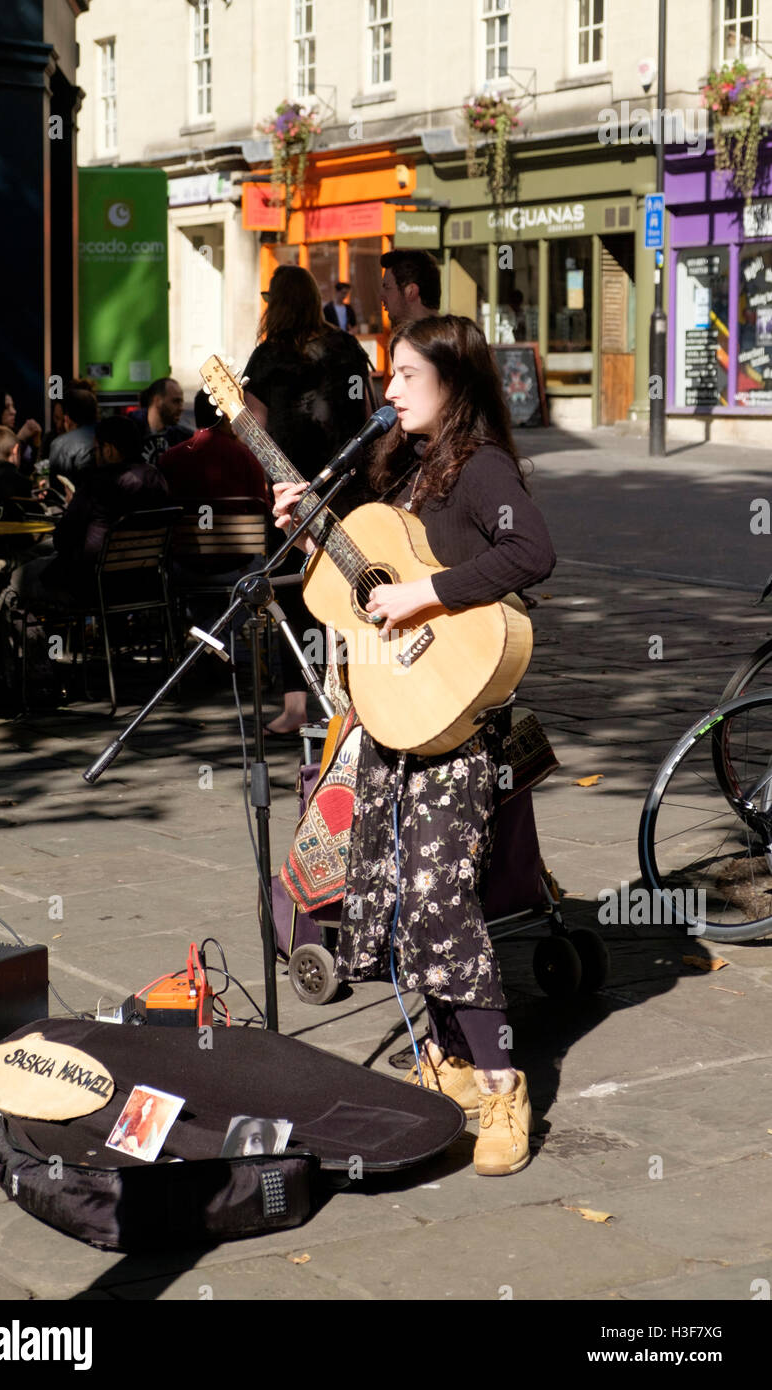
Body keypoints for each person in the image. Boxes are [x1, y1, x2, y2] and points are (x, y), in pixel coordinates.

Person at [272, 314, 556, 1177]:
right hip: (393, 719)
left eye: (402, 375)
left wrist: (429, 596)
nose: (385, 390)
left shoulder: (482, 469)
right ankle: (449, 1062)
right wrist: (308, 521)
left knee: (440, 900)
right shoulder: (400, 472)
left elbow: (531, 552)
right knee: (396, 896)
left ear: (452, 382)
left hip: (457, 728)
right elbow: (362, 580)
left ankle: (503, 1083)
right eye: (386, 377)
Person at [243, 263, 376, 735]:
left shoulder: (266, 357)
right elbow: (367, 415)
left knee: (289, 593)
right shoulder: (345, 347)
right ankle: (358, 697)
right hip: (349, 487)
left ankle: (296, 708)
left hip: (289, 493)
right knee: (354, 591)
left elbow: (253, 427)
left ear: (276, 304)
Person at [9, 413, 169, 609]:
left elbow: (63, 540)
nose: (95, 456)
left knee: (18, 578)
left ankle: (39, 639)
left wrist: (75, 507)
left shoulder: (98, 483)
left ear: (109, 450)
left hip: (94, 587)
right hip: (147, 583)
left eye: (96, 450)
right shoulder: (157, 479)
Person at [159, 388, 268, 505]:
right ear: (227, 417)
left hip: (187, 523)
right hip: (239, 523)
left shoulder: (169, 458)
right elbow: (261, 510)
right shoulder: (247, 457)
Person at [133, 377, 192, 467]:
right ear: (157, 401)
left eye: (181, 402)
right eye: (176, 401)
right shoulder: (131, 433)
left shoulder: (181, 437)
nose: (181, 408)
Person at [47, 388, 99, 490]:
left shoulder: (60, 444)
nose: (58, 425)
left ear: (67, 419)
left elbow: (57, 489)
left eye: (59, 418)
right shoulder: (110, 434)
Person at [380, 249, 442, 327]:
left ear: (411, 291)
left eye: (387, 287)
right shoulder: (452, 335)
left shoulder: (416, 338)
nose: (381, 296)